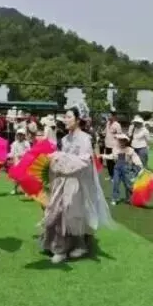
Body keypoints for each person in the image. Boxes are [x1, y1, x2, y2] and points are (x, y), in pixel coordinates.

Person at [41, 105, 113, 263]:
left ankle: (68, 248)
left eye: (69, 117)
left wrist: (63, 159)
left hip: (77, 182)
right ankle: (60, 245)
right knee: (57, 211)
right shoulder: (64, 139)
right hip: (62, 181)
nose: (65, 120)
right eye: (65, 117)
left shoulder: (84, 139)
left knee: (70, 213)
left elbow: (84, 161)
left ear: (78, 120)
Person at [103, 133, 143, 205]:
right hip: (117, 169)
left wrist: (139, 165)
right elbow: (112, 156)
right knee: (116, 183)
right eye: (120, 141)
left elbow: (136, 158)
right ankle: (115, 198)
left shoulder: (130, 150)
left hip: (126, 169)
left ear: (125, 142)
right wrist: (103, 156)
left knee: (128, 185)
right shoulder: (115, 149)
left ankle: (129, 198)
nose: (121, 142)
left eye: (123, 141)